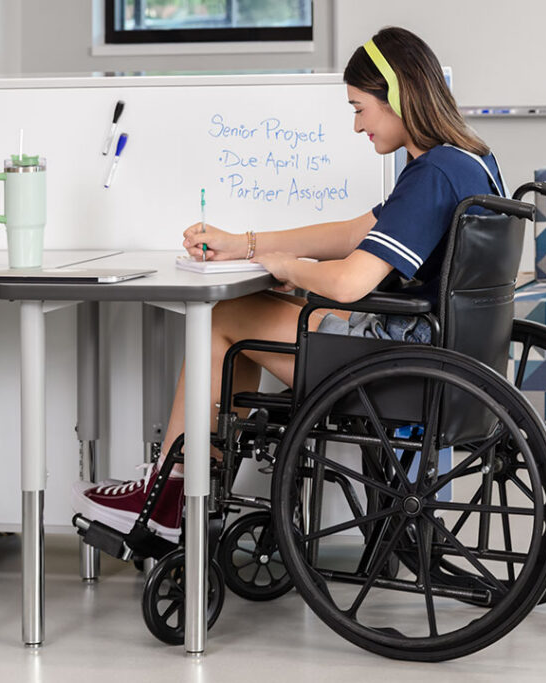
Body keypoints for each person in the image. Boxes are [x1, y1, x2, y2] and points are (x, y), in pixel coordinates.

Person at [71, 26, 508, 542]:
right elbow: (354, 233)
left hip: (399, 365)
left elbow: (347, 282)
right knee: (265, 306)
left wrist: (283, 264)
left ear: (397, 97)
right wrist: (247, 244)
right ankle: (183, 491)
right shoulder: (468, 161)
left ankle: (175, 494)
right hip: (442, 352)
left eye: (359, 107)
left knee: (221, 317)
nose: (356, 125)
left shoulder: (432, 172)